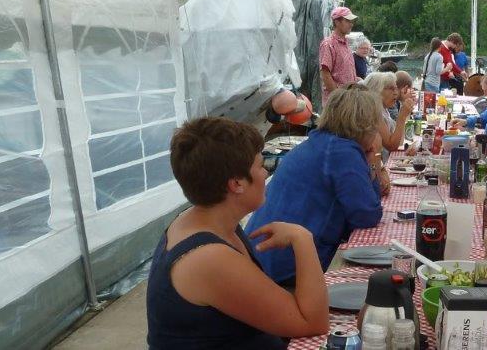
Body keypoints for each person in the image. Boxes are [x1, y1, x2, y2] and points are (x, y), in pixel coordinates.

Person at [147, 117, 328, 348]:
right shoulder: (208, 258)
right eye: (261, 165)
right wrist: (302, 239)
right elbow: (312, 322)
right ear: (236, 184)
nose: (265, 173)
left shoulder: (201, 221)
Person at [246, 86, 387, 286]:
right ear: (366, 125)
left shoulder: (320, 142)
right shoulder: (342, 152)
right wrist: (373, 161)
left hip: (259, 258)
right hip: (286, 268)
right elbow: (367, 215)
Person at [364, 72, 415, 163]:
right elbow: (391, 145)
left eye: (396, 88)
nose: (396, 93)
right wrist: (402, 117)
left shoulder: (384, 110)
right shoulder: (373, 113)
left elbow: (399, 142)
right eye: (391, 89)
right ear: (376, 90)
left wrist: (404, 114)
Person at [319, 7, 358, 105]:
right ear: (337, 22)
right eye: (347, 21)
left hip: (349, 99)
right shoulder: (328, 44)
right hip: (337, 102)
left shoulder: (345, 44)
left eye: (351, 21)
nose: (351, 24)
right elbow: (325, 73)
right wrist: (338, 97)